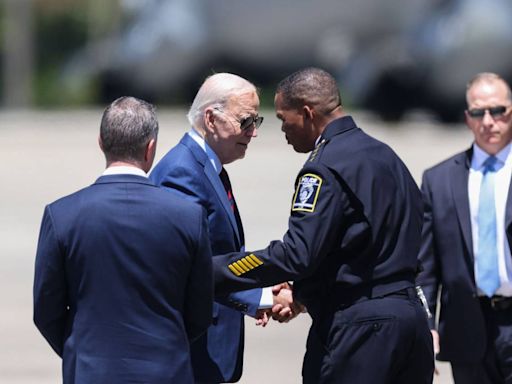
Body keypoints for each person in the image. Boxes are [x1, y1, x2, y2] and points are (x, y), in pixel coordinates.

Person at [212, 67, 434, 383]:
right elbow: (363, 243)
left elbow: (296, 255)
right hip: (411, 324)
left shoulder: (323, 168)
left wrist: (219, 271)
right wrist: (302, 292)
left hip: (361, 332)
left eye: (282, 119)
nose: (283, 130)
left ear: (306, 113)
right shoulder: (387, 157)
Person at [33, 97, 213, 383]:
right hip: (167, 372)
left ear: (101, 142)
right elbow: (200, 311)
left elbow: (46, 311)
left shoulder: (62, 215)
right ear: (151, 147)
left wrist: (82, 353)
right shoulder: (189, 216)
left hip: (91, 372)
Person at [150, 72, 296, 383]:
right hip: (193, 349)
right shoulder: (182, 173)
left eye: (256, 122)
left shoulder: (206, 166)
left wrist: (260, 291)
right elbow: (190, 267)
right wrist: (261, 297)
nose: (252, 133)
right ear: (211, 119)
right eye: (246, 121)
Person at [417, 72, 512, 383]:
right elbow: (426, 267)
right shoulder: (439, 180)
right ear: (467, 118)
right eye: (478, 112)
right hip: (466, 330)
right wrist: (426, 324)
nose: (488, 121)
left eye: (498, 110)